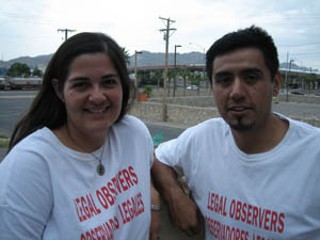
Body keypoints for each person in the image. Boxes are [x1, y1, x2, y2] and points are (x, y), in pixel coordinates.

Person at [152, 26, 320, 239]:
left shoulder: (314, 154)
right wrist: (174, 195)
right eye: (224, 80)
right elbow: (157, 158)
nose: (237, 92)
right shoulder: (202, 138)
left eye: (251, 78)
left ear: (275, 84)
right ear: (212, 87)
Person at [0, 32, 160, 239]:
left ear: (123, 86)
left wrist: (155, 200)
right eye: (81, 85)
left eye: (109, 82)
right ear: (59, 90)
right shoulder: (29, 164)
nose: (97, 96)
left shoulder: (135, 133)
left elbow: (146, 168)